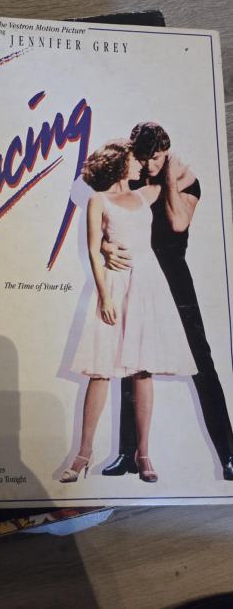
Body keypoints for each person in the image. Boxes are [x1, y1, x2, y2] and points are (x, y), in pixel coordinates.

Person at [101, 123, 233, 480]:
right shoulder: (132, 179)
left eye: (156, 158)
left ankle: (229, 455)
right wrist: (106, 246)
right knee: (131, 361)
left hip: (173, 278)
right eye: (143, 158)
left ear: (167, 152)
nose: (149, 165)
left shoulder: (187, 181)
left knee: (202, 364)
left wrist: (170, 178)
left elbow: (177, 224)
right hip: (137, 276)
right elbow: (105, 220)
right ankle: (128, 454)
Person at [61, 140, 197, 484]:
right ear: (121, 164)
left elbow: (182, 177)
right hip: (115, 285)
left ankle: (144, 453)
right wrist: (105, 297)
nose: (141, 165)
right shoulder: (98, 200)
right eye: (135, 160)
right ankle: (83, 453)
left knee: (143, 370)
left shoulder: (144, 195)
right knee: (100, 370)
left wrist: (165, 153)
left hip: (147, 285)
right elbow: (93, 252)